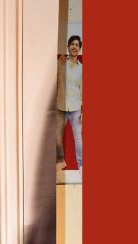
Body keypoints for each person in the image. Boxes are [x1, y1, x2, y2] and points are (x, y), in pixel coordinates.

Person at [56, 34, 82, 170]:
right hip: (60, 106)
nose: (74, 47)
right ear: (68, 47)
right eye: (72, 44)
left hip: (76, 107)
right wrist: (60, 58)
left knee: (78, 137)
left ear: (79, 49)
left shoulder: (81, 68)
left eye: (77, 45)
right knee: (57, 135)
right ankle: (60, 160)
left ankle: (81, 164)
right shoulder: (61, 63)